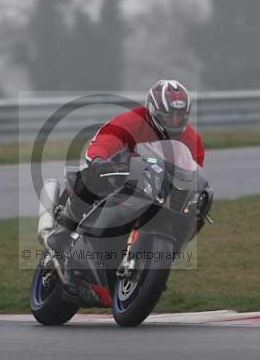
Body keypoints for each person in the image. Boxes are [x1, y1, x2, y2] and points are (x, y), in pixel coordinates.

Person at [42, 79, 205, 254]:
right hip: (123, 178)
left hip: (161, 191)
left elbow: (193, 173)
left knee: (195, 212)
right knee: (90, 176)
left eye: (180, 115)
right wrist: (99, 160)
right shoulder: (133, 121)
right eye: (169, 115)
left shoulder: (192, 140)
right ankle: (64, 229)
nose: (174, 120)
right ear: (153, 112)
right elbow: (107, 138)